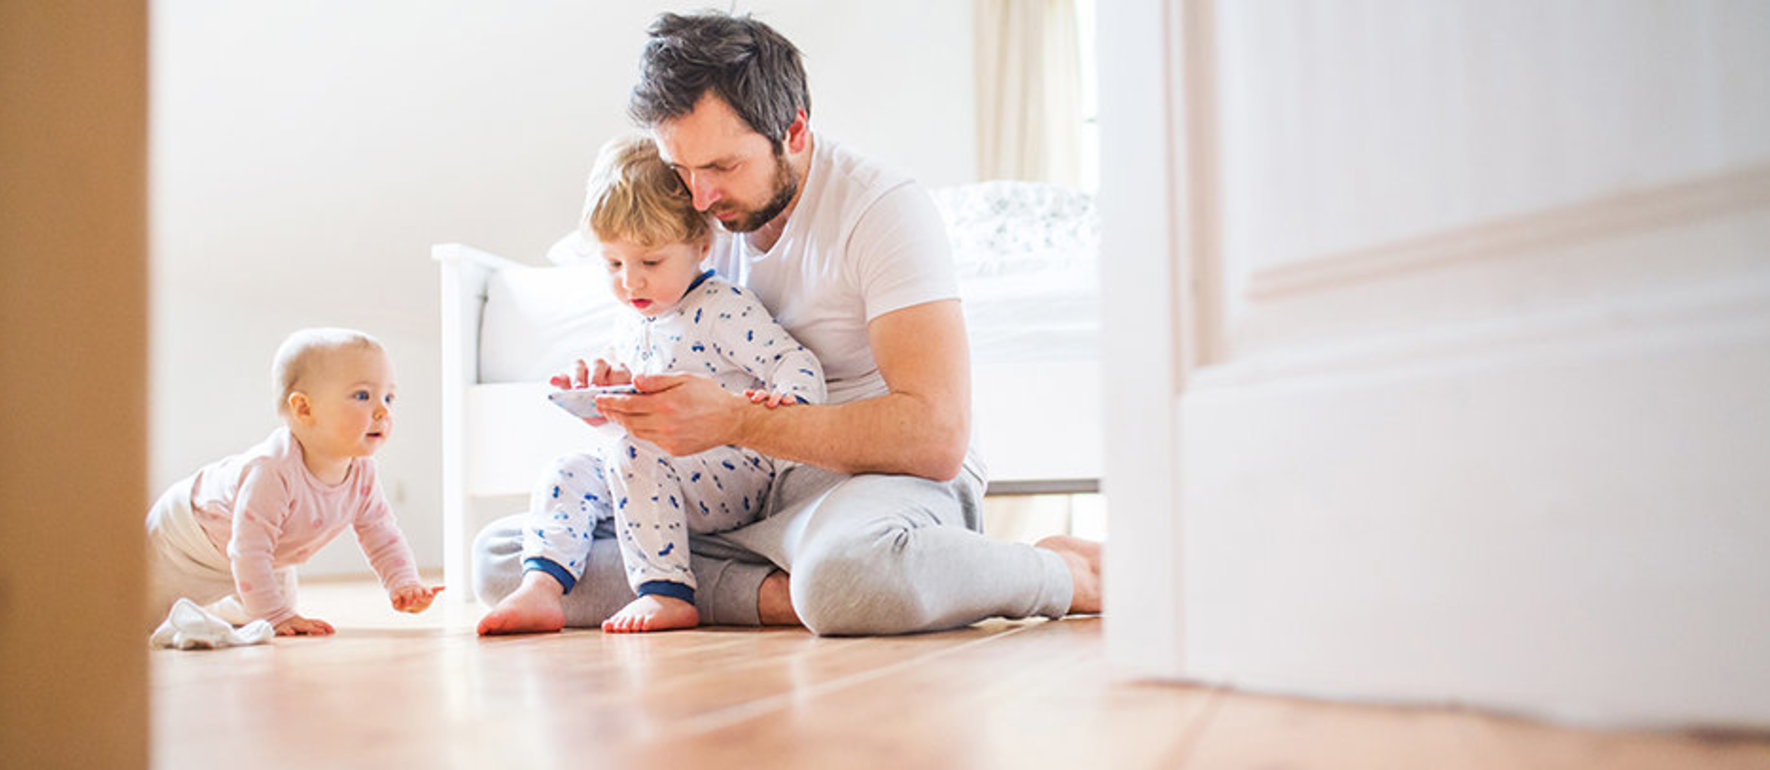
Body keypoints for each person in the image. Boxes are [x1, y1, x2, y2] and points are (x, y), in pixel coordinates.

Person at [474, 11, 1101, 635]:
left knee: (848, 571)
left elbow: (938, 440)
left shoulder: (881, 211)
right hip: (732, 491)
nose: (698, 199)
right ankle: (781, 593)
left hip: (866, 485)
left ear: (794, 132)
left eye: (721, 167)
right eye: (681, 169)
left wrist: (738, 420)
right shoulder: (693, 218)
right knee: (505, 557)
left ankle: (1061, 573)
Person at [477, 134, 826, 635]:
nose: (630, 283)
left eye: (650, 262)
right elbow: (638, 398)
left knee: (634, 454)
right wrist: (606, 391)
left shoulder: (721, 308)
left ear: (701, 246)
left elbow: (795, 361)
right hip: (658, 470)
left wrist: (786, 401)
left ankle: (665, 591)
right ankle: (542, 589)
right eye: (613, 264)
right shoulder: (634, 318)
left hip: (733, 468)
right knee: (567, 469)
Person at [145, 328, 441, 635]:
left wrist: (403, 582)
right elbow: (249, 550)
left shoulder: (362, 472)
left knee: (271, 616)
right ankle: (204, 604)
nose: (383, 411)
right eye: (363, 396)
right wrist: (275, 614)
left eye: (389, 397)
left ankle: (220, 607)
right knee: (138, 620)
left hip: (264, 555)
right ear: (304, 408)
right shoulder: (272, 471)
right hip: (185, 541)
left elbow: (381, 532)